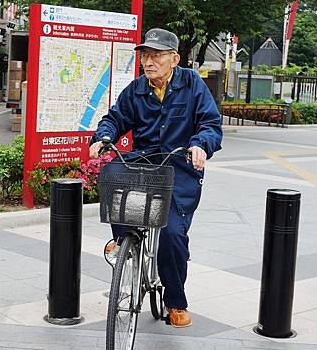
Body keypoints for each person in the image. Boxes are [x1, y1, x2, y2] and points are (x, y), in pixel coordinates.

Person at [90, 28, 222, 328]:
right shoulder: (136, 89)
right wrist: (104, 137)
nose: (149, 61)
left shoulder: (192, 85)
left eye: (157, 55)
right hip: (144, 165)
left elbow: (211, 124)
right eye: (145, 55)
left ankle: (175, 300)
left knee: (173, 235)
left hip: (179, 167)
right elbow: (115, 118)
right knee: (114, 183)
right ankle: (122, 239)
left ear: (174, 58)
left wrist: (201, 145)